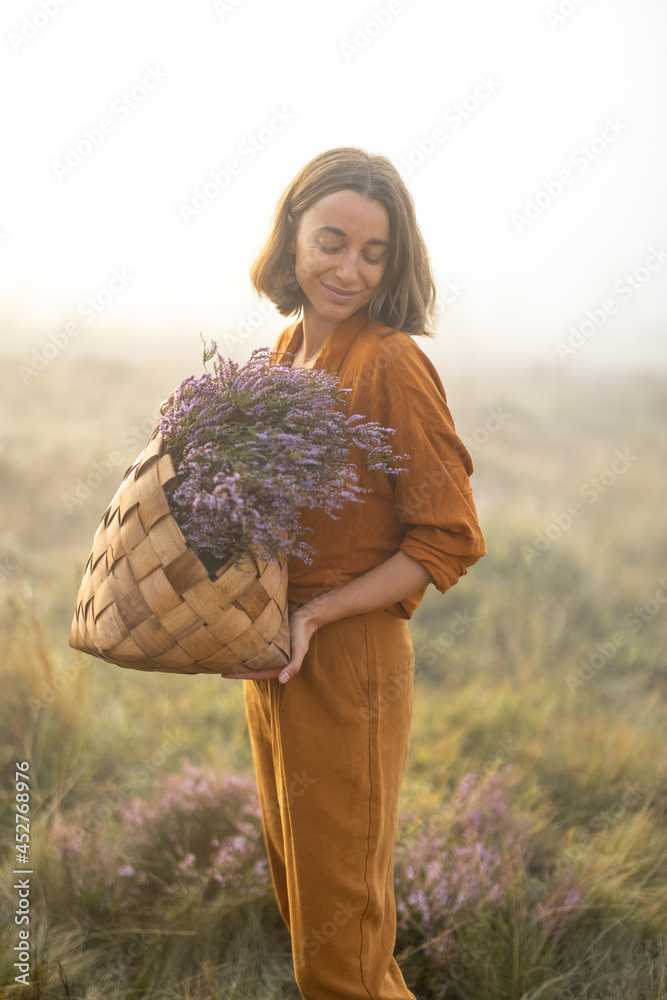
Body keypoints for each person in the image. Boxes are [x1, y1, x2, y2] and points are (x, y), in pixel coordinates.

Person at [241, 147, 485, 999]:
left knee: (343, 942)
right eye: (331, 241)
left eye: (372, 252)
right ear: (292, 241)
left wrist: (315, 615)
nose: (348, 268)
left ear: (393, 263)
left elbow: (445, 537)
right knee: (307, 911)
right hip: (274, 660)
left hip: (347, 663)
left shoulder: (389, 364)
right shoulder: (281, 354)